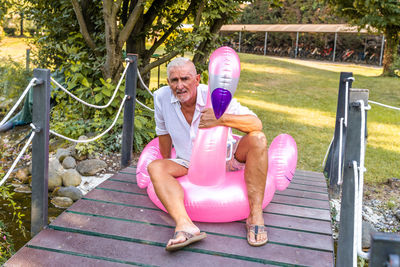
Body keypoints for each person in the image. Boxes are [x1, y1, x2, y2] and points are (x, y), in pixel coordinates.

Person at [147, 57, 268, 251]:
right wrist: (165, 169)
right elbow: (163, 132)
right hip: (187, 162)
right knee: (154, 167)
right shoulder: (161, 97)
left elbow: (256, 124)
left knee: (258, 139)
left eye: (185, 79)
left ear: (197, 79)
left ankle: (255, 215)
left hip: (226, 159)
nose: (179, 86)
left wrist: (221, 118)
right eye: (174, 80)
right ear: (168, 82)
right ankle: (185, 226)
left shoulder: (216, 96)